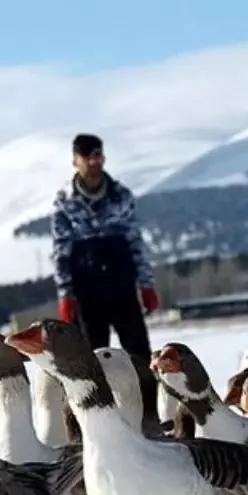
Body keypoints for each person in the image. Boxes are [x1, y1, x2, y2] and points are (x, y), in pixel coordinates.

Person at [50, 133, 160, 362]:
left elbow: (135, 242)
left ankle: (145, 396)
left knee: (140, 357)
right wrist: (65, 295)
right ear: (75, 161)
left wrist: (146, 285)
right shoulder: (64, 202)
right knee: (92, 360)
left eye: (97, 155)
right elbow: (61, 251)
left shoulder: (121, 197)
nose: (93, 161)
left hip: (122, 287)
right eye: (86, 156)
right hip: (87, 292)